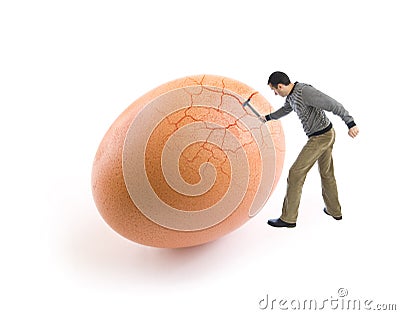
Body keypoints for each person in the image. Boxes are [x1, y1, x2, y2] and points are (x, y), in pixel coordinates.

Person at [265, 71, 359, 228]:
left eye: (274, 90)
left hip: (321, 137)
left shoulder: (304, 91)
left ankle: (288, 218)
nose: (275, 93)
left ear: (280, 86)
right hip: (324, 134)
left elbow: (332, 104)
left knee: (295, 173)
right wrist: (267, 118)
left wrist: (350, 123)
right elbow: (285, 110)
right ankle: (334, 210)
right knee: (327, 173)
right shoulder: (291, 97)